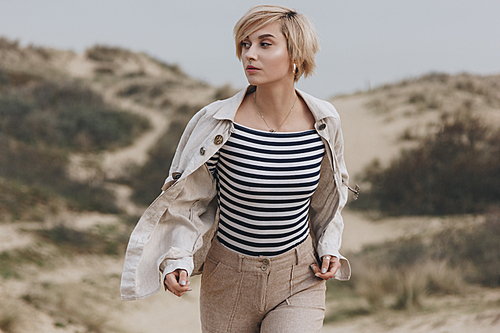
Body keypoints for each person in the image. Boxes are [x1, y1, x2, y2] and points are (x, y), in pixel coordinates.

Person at [121, 5, 354, 332]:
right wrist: (177, 258)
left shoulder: (324, 122)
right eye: (245, 44)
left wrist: (329, 246)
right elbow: (191, 201)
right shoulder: (218, 124)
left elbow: (329, 197)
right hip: (228, 279)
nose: (250, 54)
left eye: (265, 43)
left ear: (296, 55)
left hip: (299, 275)